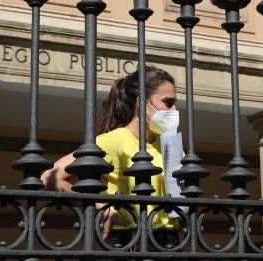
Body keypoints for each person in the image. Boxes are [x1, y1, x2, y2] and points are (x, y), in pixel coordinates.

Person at [41, 66, 180, 251]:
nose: (174, 109)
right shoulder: (113, 141)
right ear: (142, 103)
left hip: (170, 241)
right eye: (168, 102)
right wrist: (101, 205)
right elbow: (50, 177)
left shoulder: (168, 143)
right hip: (129, 239)